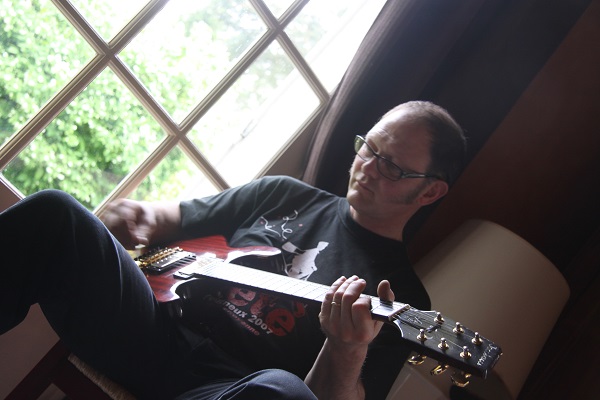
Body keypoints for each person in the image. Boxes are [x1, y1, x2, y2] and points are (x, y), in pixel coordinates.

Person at [0, 101, 466, 400]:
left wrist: (346, 348)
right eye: (368, 148)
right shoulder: (283, 193)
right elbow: (169, 218)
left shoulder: (402, 300)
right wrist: (141, 215)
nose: (367, 167)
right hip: (148, 326)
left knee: (285, 392)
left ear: (430, 192)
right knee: (57, 214)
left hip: (226, 388)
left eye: (391, 166)